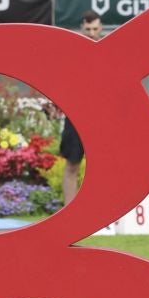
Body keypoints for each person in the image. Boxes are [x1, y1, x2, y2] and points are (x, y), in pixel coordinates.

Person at [61, 11, 104, 203]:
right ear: (82, 29)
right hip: (76, 117)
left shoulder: (108, 51)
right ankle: (69, 214)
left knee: (106, 168)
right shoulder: (71, 53)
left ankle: (105, 212)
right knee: (72, 165)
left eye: (95, 29)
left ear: (101, 29)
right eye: (88, 29)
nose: (92, 33)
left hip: (103, 116)